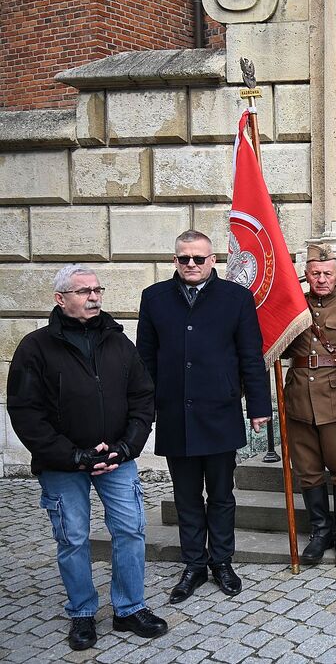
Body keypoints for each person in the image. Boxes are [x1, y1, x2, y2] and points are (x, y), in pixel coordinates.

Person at [7, 265, 168, 651]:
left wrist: (127, 447)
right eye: (83, 291)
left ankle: (129, 607)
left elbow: (142, 397)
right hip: (62, 465)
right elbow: (26, 413)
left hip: (116, 458)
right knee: (73, 538)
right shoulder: (35, 347)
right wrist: (73, 455)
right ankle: (82, 612)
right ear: (60, 299)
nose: (94, 297)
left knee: (130, 530)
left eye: (97, 289)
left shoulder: (118, 341)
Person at [136, 230, 272, 604]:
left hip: (220, 411)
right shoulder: (154, 297)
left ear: (213, 260)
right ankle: (194, 564)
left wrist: (259, 407)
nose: (191, 264)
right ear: (175, 260)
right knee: (186, 496)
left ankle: (222, 561)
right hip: (175, 412)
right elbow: (144, 359)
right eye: (184, 258)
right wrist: (143, 411)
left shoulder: (236, 298)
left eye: (199, 258)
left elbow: (250, 356)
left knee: (221, 494)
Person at [282, 243, 336, 564]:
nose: (321, 279)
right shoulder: (294, 307)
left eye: (327, 274)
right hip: (299, 400)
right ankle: (320, 532)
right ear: (306, 275)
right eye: (315, 273)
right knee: (308, 471)